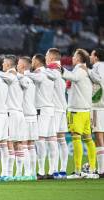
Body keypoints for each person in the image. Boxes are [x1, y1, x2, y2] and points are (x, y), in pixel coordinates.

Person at [62, 49, 98, 179]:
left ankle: (77, 171)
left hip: (76, 111)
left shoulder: (79, 70)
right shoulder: (87, 71)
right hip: (85, 111)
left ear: (78, 59)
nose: (72, 58)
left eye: (74, 56)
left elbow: (73, 77)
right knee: (88, 140)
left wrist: (59, 69)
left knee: (76, 138)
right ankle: (93, 170)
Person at [25, 54, 58, 179]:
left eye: (32, 60)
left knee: (41, 140)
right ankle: (52, 170)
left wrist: (26, 72)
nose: (31, 63)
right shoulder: (50, 73)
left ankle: (42, 171)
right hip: (50, 109)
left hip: (42, 110)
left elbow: (37, 78)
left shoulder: (41, 74)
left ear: (37, 62)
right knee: (52, 140)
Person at [0, 55, 26, 181]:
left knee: (9, 143)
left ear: (8, 65)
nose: (2, 65)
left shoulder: (10, 76)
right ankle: (19, 173)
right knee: (18, 143)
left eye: (4, 63)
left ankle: (8, 174)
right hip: (20, 113)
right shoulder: (21, 77)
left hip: (12, 113)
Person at [45, 48, 69, 179]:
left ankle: (53, 170)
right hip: (62, 108)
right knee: (62, 140)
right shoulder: (63, 71)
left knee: (52, 139)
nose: (45, 58)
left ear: (52, 58)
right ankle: (63, 170)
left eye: (47, 56)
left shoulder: (51, 71)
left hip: (54, 109)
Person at [17, 56, 38, 180]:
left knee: (23, 144)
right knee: (30, 145)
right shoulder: (33, 78)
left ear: (23, 66)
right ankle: (32, 173)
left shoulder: (23, 78)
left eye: (18, 64)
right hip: (33, 115)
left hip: (25, 115)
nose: (17, 66)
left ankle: (26, 173)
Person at [88, 48, 104, 178]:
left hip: (98, 106)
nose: (90, 56)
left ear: (96, 57)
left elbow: (99, 79)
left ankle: (101, 170)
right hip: (100, 106)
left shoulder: (99, 66)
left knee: (99, 137)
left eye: (92, 54)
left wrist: (87, 71)